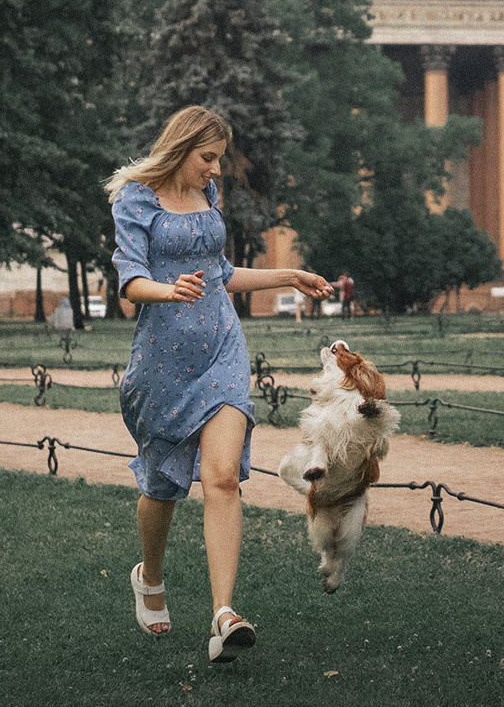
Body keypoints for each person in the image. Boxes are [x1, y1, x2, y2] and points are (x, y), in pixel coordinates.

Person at [107, 105, 333, 663]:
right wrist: (168, 289)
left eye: (218, 161)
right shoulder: (137, 197)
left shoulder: (209, 198)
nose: (214, 170)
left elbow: (223, 275)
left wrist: (289, 276)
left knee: (223, 478)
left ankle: (224, 615)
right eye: (208, 158)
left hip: (221, 349)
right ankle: (150, 575)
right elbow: (129, 282)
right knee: (161, 485)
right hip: (163, 359)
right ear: (181, 148)